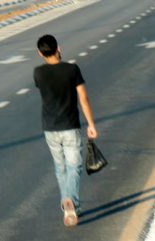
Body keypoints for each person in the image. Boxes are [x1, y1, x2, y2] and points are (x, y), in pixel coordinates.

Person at [33, 34, 98, 227]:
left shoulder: (38, 73)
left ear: (40, 53)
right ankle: (70, 200)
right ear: (58, 47)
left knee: (60, 168)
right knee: (74, 167)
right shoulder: (72, 69)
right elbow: (83, 98)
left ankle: (70, 208)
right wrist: (92, 124)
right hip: (69, 126)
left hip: (50, 128)